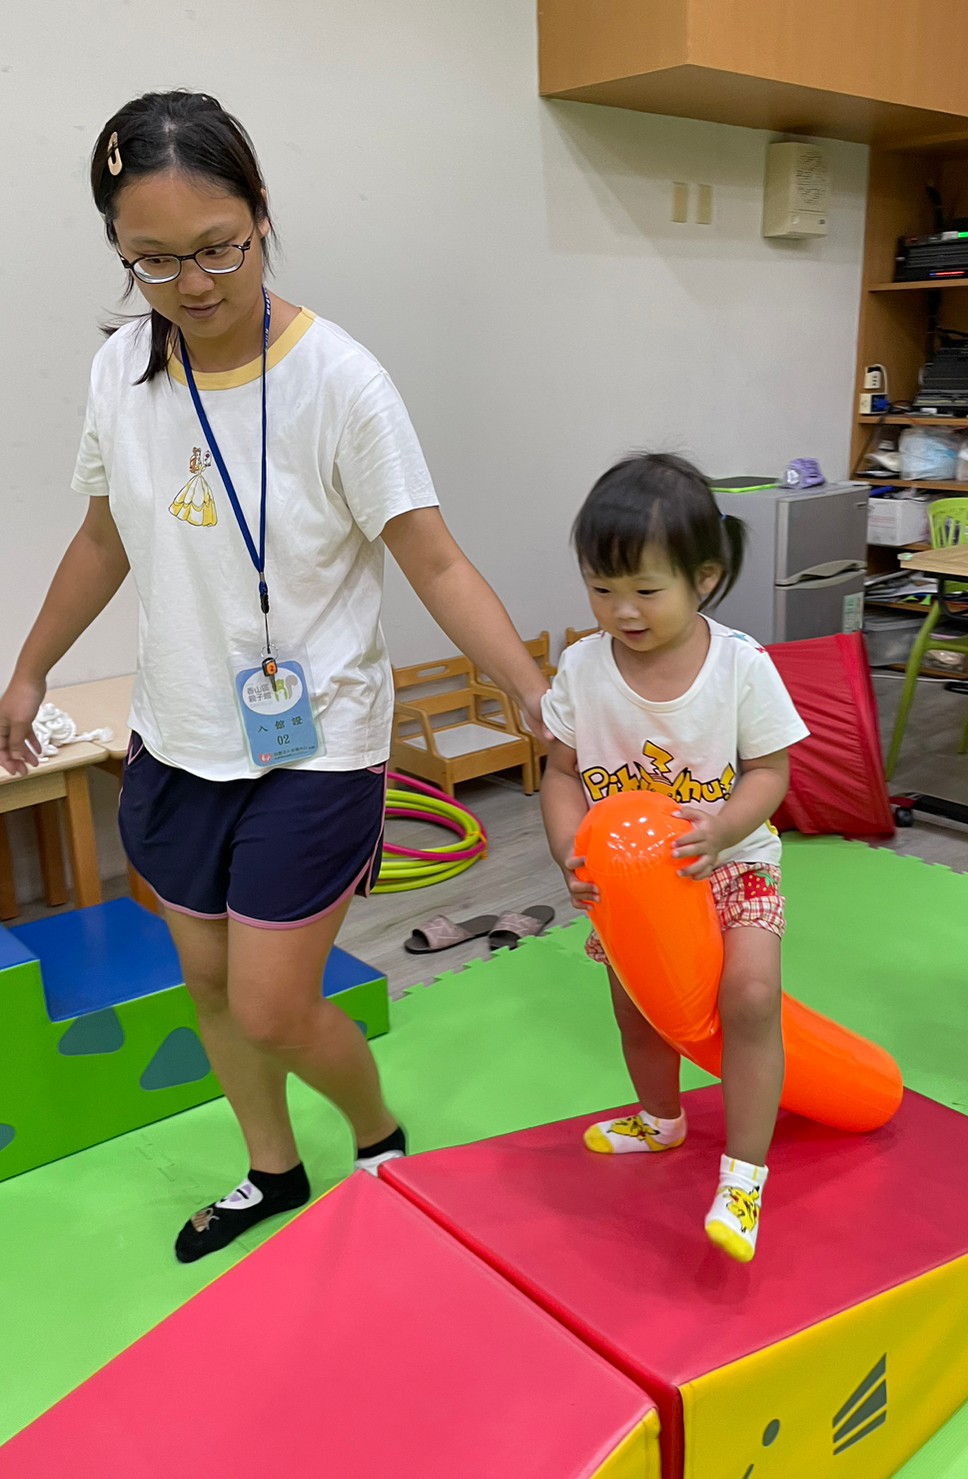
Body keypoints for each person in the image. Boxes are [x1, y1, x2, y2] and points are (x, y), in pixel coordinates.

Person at [0, 90, 548, 1263]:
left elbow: (433, 557)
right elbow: (105, 539)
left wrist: (531, 693)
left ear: (260, 215)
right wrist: (29, 671)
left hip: (316, 747)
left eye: (216, 248)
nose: (191, 285)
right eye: (151, 260)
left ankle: (379, 1133)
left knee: (271, 1002)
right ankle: (271, 1169)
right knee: (208, 984)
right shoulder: (119, 374)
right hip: (177, 735)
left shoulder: (341, 382)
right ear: (119, 251)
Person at [540, 453, 809, 1263]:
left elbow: (771, 771)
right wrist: (565, 848)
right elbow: (557, 773)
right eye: (599, 587)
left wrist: (725, 827)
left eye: (645, 591)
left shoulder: (738, 665)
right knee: (640, 1009)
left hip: (734, 861)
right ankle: (659, 1117)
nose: (620, 610)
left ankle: (744, 1174)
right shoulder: (582, 669)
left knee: (751, 995)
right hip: (632, 887)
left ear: (704, 579)